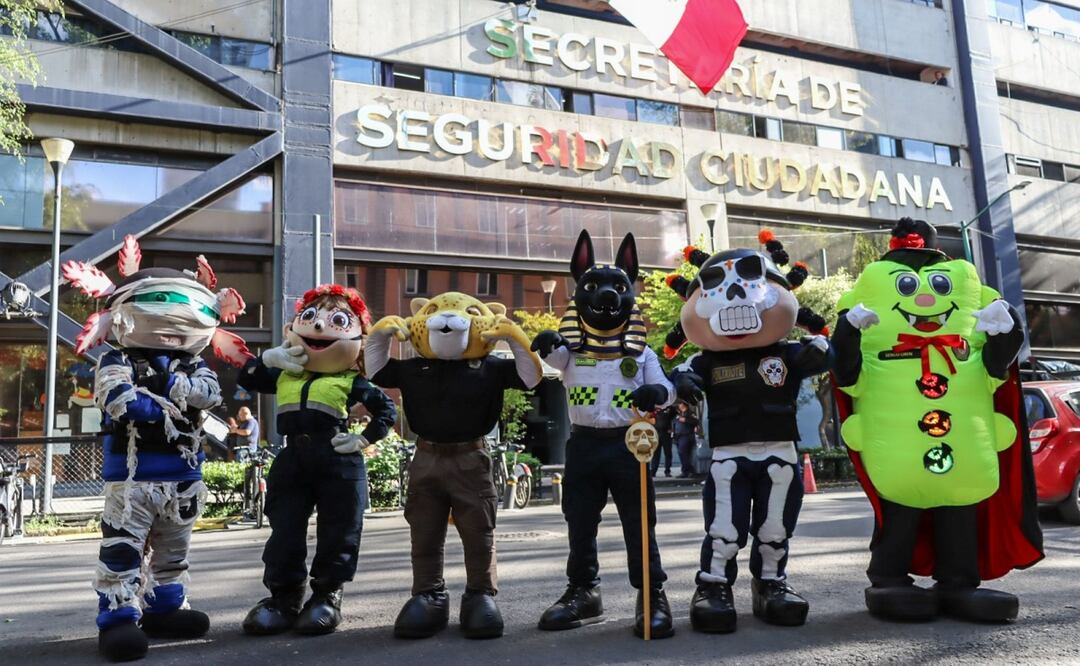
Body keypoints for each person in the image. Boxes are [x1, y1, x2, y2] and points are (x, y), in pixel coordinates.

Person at [832, 217, 1042, 622]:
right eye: (907, 280)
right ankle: (889, 577)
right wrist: (848, 332)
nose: (926, 299)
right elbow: (846, 376)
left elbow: (998, 372)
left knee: (959, 505)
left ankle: (959, 582)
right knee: (900, 508)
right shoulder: (872, 325)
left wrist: (1008, 332)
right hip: (897, 452)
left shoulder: (970, 329)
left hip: (964, 451)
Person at [64, 236, 252, 662]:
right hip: (132, 477)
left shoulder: (195, 364)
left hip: (183, 476)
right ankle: (117, 617)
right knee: (123, 547)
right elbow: (120, 402)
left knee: (174, 548)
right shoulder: (116, 359)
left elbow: (209, 396)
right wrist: (172, 401)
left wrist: (164, 388)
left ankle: (166, 606)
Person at [667, 230, 832, 634]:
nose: (736, 297)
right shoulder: (704, 362)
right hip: (728, 456)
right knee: (725, 527)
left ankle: (771, 582)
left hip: (780, 454)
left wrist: (847, 335)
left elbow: (832, 356)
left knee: (776, 526)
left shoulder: (789, 353)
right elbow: (679, 376)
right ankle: (713, 586)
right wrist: (680, 384)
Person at [366, 291, 543, 640]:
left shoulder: (491, 366)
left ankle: (480, 594)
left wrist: (515, 337)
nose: (447, 317)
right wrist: (380, 333)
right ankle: (428, 593)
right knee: (424, 529)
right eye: (435, 311)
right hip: (426, 455)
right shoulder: (415, 367)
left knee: (479, 530)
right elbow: (376, 370)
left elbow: (531, 377)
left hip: (470, 456)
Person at [532, 231, 676, 640]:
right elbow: (552, 358)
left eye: (619, 286)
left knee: (639, 521)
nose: (608, 294)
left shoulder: (641, 353)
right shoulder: (572, 352)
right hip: (583, 444)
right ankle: (583, 591)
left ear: (630, 290)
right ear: (579, 290)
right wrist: (546, 342)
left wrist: (657, 394)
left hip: (629, 445)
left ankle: (651, 592)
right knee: (579, 520)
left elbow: (668, 389)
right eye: (595, 286)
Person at [240, 284, 397, 637]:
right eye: (310, 317)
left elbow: (386, 409)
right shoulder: (286, 371)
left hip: (336, 459)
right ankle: (284, 598)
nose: (320, 327)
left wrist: (363, 439)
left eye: (336, 320)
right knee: (284, 531)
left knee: (339, 531)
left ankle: (327, 595)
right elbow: (246, 377)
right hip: (293, 456)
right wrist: (267, 358)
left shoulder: (350, 380)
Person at [672, 402, 699, 478]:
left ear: (684, 405)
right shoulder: (679, 414)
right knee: (682, 454)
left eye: (680, 404)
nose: (679, 405)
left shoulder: (690, 413)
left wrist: (686, 420)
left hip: (686, 435)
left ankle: (687, 470)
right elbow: (674, 423)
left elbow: (695, 421)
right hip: (678, 436)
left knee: (683, 453)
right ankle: (688, 470)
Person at [650, 405, 675, 477]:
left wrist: (672, 427)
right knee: (655, 453)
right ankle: (653, 471)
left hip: (666, 434)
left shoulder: (669, 408)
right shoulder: (653, 408)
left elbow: (676, 417)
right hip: (656, 433)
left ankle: (667, 471)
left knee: (668, 453)